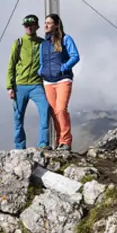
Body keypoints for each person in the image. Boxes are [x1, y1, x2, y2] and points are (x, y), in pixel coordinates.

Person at [6, 14, 50, 150]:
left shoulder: (42, 43)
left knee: (45, 108)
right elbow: (11, 65)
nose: (28, 28)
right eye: (26, 26)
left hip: (36, 84)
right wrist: (10, 86)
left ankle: (43, 144)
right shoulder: (18, 42)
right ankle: (19, 147)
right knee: (18, 117)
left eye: (31, 25)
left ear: (36, 26)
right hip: (20, 85)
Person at [39, 13, 79, 151]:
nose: (46, 25)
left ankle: (66, 141)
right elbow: (41, 61)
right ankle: (59, 142)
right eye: (45, 23)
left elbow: (75, 56)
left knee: (61, 110)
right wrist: (41, 71)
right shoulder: (43, 44)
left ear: (56, 25)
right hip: (48, 81)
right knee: (54, 112)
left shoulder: (66, 39)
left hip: (63, 79)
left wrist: (64, 67)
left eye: (49, 23)